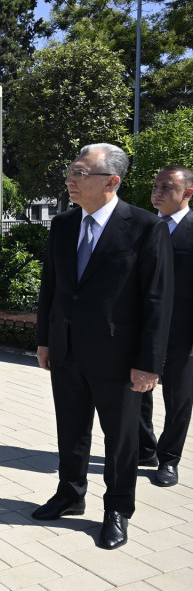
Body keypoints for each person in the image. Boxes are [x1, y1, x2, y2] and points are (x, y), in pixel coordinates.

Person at [34, 143, 173, 549]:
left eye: (79, 172)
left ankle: (117, 509)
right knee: (71, 429)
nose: (69, 180)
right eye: (71, 171)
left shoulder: (146, 227)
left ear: (111, 181)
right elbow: (52, 288)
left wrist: (149, 363)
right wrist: (45, 339)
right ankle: (69, 494)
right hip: (67, 350)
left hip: (120, 359)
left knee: (121, 439)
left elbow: (157, 300)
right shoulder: (62, 224)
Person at [139, 166, 193, 487]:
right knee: (137, 391)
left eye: (166, 187)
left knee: (179, 397)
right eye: (155, 185)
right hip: (143, 330)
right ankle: (146, 450)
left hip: (182, 333)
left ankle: (169, 460)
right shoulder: (145, 227)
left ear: (187, 193)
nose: (157, 192)